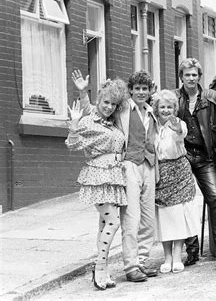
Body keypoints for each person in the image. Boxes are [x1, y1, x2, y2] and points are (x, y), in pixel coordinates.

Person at [74, 69, 159, 282]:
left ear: (149, 91)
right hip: (127, 165)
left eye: (144, 89)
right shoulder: (121, 110)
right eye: (137, 88)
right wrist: (83, 93)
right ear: (130, 91)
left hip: (149, 165)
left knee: (149, 219)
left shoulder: (151, 110)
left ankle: (142, 260)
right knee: (131, 218)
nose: (141, 92)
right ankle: (131, 266)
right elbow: (95, 110)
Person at [65, 79, 128, 290]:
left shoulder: (112, 122)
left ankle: (104, 270)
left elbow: (95, 108)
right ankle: (99, 266)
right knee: (113, 222)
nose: (109, 107)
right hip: (97, 176)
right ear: (99, 100)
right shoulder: (87, 121)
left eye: (113, 104)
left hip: (114, 175)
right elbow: (73, 145)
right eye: (106, 102)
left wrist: (83, 94)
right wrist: (73, 127)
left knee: (104, 224)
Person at [172, 58, 216, 265]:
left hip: (205, 156)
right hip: (182, 156)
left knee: (214, 199)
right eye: (187, 74)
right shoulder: (174, 98)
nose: (191, 78)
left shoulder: (212, 97)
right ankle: (192, 249)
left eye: (194, 74)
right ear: (181, 77)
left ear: (199, 76)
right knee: (186, 203)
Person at [153, 89, 200, 274]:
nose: (166, 110)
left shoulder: (178, 123)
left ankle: (178, 256)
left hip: (179, 169)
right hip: (161, 172)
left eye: (169, 107)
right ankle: (167, 258)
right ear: (157, 108)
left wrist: (177, 128)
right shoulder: (152, 125)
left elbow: (182, 134)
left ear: (175, 108)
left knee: (179, 215)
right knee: (164, 215)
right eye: (162, 107)